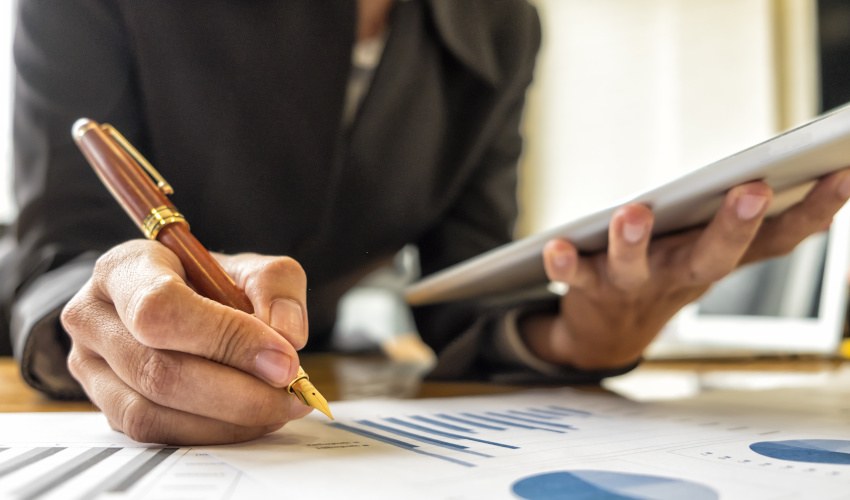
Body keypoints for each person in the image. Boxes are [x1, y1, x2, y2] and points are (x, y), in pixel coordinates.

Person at [1, 0, 848, 446]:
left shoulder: (503, 25)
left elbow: (461, 282)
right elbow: (58, 247)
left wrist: (589, 336)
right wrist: (112, 305)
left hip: (292, 357)